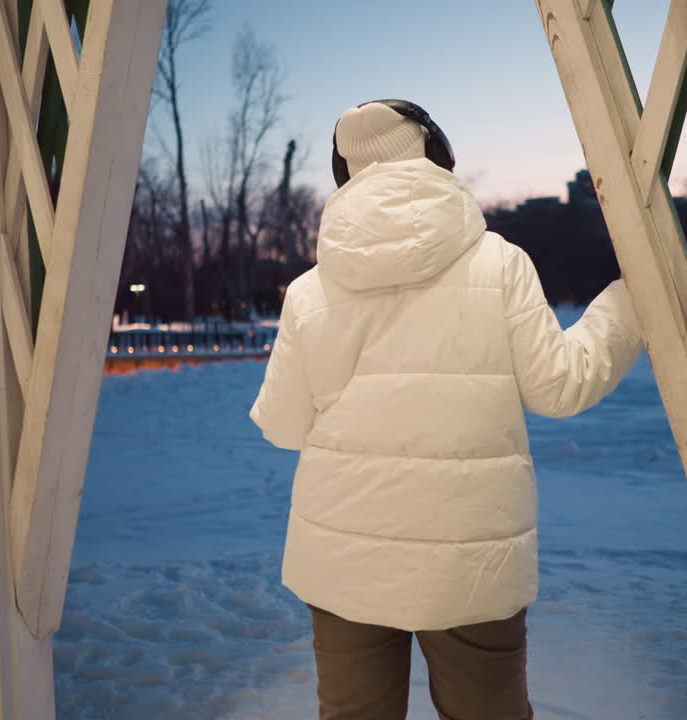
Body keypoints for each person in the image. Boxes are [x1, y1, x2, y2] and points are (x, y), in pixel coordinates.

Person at [249, 99, 643, 720]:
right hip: (472, 560)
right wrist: (629, 302)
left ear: (342, 171)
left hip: (343, 559)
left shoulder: (307, 291)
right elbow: (561, 386)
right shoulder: (501, 263)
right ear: (436, 153)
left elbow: (282, 425)